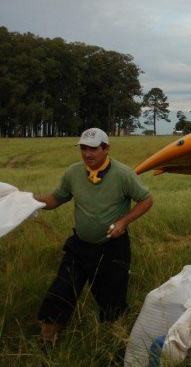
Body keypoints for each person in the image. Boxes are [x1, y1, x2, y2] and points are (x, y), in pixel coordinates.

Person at [35, 128, 153, 344]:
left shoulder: (123, 174)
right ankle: (47, 343)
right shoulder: (73, 173)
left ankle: (114, 344)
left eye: (93, 149)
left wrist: (123, 222)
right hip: (80, 247)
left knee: (112, 302)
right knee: (61, 292)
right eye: (83, 149)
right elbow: (57, 198)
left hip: (112, 248)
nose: (87, 154)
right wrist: (29, 203)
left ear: (106, 149)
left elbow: (146, 200)